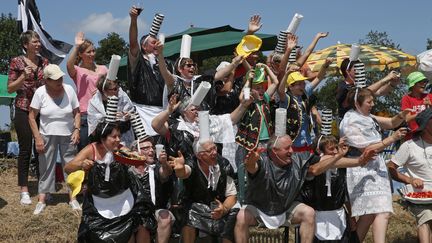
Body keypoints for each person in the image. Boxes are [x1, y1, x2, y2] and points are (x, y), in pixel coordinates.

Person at [234, 134, 372, 243]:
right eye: (287, 148)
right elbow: (252, 167)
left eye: (291, 146)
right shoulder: (262, 160)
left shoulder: (298, 159)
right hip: (260, 208)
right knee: (241, 217)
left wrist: (358, 161)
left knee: (308, 213)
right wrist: (250, 161)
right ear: (274, 151)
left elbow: (325, 162)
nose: (291, 150)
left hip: (286, 207)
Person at [64, 122, 156, 242]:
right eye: (114, 136)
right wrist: (82, 163)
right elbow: (68, 167)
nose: (118, 140)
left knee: (135, 226)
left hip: (123, 199)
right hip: (100, 202)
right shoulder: (91, 149)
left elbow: (136, 159)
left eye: (119, 136)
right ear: (103, 138)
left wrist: (134, 156)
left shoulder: (120, 150)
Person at [339, 88, 410, 242]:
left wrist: (402, 115)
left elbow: (391, 123)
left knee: (372, 214)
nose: (373, 104)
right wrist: (392, 139)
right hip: (362, 172)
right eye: (369, 102)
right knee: (377, 213)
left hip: (377, 170)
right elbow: (367, 150)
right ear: (357, 104)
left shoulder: (368, 117)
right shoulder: (350, 121)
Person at [28, 64, 80, 214]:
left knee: (71, 166)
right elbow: (31, 117)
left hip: (68, 133)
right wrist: (37, 137)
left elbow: (77, 112)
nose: (60, 80)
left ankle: (73, 198)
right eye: (56, 78)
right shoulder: (40, 92)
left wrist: (76, 129)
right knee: (45, 166)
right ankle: (42, 199)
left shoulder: (69, 89)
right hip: (46, 134)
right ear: (47, 80)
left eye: (61, 77)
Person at [300, 135, 373, 242]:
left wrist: (351, 216)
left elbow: (345, 194)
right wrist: (343, 157)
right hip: (317, 217)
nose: (335, 151)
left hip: (339, 216)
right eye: (331, 149)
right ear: (319, 150)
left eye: (336, 148)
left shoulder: (341, 168)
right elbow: (316, 169)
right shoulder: (312, 163)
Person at [7, 30, 49, 205]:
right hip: (23, 109)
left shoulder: (44, 62)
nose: (38, 44)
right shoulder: (16, 61)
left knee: (42, 148)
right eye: (34, 41)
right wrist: (23, 76)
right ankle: (24, 189)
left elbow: (50, 84)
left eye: (39, 41)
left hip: (41, 110)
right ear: (26, 45)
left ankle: (43, 187)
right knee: (25, 149)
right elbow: (10, 88)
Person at [168, 139, 238, 243]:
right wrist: (180, 169)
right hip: (197, 206)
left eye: (215, 148)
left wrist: (224, 209)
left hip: (220, 207)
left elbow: (232, 195)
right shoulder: (192, 163)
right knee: (189, 212)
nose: (215, 152)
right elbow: (184, 172)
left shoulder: (223, 164)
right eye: (210, 150)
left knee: (233, 215)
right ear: (200, 155)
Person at [128, 6, 174, 137]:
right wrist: (134, 20)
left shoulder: (165, 62)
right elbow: (132, 43)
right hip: (142, 112)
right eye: (153, 42)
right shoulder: (138, 61)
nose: (157, 44)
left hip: (162, 111)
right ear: (144, 46)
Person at [388, 108, 432, 243]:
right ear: (425, 125)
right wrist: (410, 179)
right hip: (421, 196)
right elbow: (391, 167)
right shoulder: (409, 146)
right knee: (427, 216)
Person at [66, 31, 108, 150]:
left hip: (102, 112)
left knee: (102, 148)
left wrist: (102, 93)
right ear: (81, 54)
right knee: (85, 149)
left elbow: (112, 88)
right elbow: (69, 66)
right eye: (88, 52)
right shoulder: (78, 71)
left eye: (93, 51)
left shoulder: (103, 69)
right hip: (85, 113)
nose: (92, 54)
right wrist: (77, 46)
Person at [129, 136, 175, 243]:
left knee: (165, 217)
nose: (151, 151)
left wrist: (164, 162)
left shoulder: (155, 168)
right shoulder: (127, 170)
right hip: (131, 212)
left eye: (152, 148)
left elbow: (166, 173)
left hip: (152, 211)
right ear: (135, 152)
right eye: (146, 148)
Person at [278, 61, 332, 152]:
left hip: (308, 140)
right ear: (291, 87)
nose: (303, 86)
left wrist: (325, 65)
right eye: (299, 84)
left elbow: (319, 78)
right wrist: (287, 74)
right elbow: (280, 90)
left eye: (303, 83)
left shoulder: (305, 92)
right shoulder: (286, 98)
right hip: (293, 143)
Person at [87, 75, 135, 146]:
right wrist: (110, 119)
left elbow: (131, 117)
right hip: (103, 143)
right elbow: (94, 131)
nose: (118, 90)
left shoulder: (123, 97)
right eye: (114, 89)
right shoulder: (94, 104)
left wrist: (126, 119)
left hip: (124, 141)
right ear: (104, 91)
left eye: (118, 87)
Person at [401, 71, 432, 139]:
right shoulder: (406, 98)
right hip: (414, 136)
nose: (424, 84)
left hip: (429, 135)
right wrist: (423, 113)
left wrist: (430, 104)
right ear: (413, 84)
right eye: (420, 82)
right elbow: (407, 118)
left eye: (425, 82)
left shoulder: (429, 96)